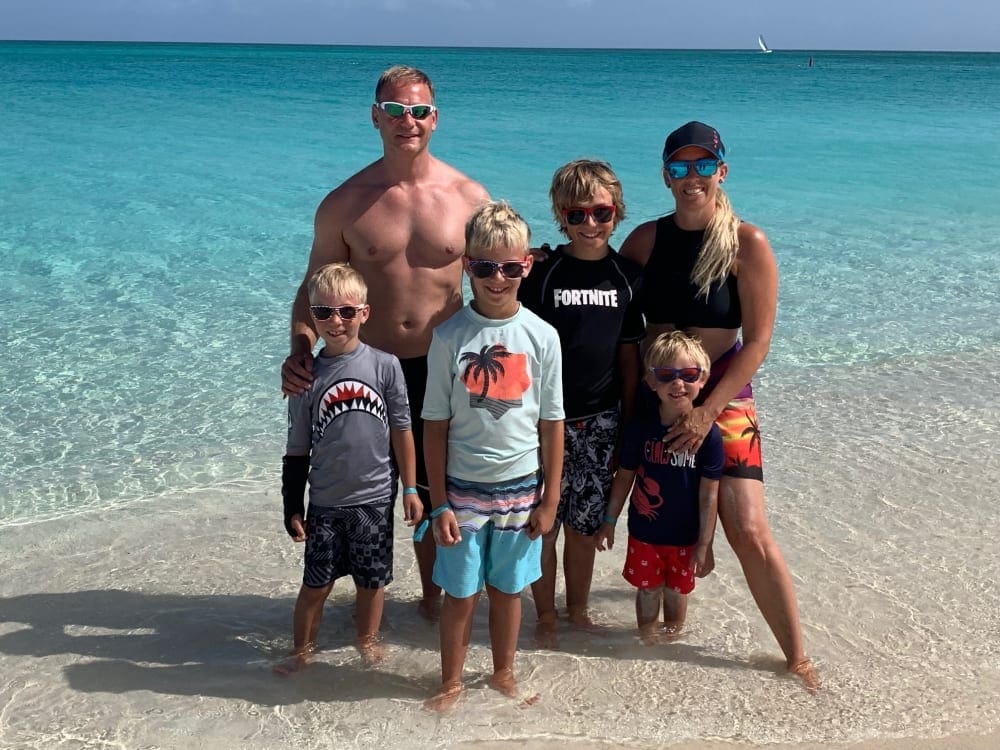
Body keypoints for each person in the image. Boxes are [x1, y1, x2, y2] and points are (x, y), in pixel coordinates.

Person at [280, 65, 491, 621]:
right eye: (395, 111)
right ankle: (357, 611)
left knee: (434, 488)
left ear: (435, 118)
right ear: (376, 116)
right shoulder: (346, 202)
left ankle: (431, 600)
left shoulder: (469, 197)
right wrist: (301, 349)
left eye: (418, 110)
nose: (408, 122)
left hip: (444, 367)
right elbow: (313, 288)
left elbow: (500, 282)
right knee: (357, 493)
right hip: (363, 372)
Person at [620, 121, 819, 691]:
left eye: (703, 165)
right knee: (632, 511)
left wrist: (707, 411)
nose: (691, 177)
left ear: (721, 171)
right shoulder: (646, 240)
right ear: (664, 176)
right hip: (656, 399)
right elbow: (603, 284)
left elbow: (756, 340)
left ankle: (796, 658)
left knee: (748, 529)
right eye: (679, 167)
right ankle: (577, 624)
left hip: (723, 399)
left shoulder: (745, 243)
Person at [421, 201, 564, 711]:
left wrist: (551, 499)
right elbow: (434, 426)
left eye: (508, 266)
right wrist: (438, 504)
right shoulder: (448, 337)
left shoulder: (543, 337)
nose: (497, 277)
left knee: (508, 591)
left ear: (527, 264)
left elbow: (552, 422)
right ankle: (451, 682)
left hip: (523, 489)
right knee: (460, 595)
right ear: (467, 267)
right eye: (484, 267)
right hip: (461, 491)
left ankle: (504, 673)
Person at [517, 160, 644, 644]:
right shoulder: (542, 274)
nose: (590, 224)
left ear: (617, 213)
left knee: (585, 528)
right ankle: (545, 613)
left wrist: (629, 424)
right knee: (543, 522)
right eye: (576, 215)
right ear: (560, 216)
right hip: (542, 421)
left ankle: (577, 610)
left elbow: (629, 357)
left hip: (602, 420)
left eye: (601, 212)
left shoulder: (628, 278)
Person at [277, 263, 422, 674]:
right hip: (325, 500)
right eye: (323, 313)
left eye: (345, 311)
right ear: (313, 316)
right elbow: (296, 449)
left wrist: (411, 488)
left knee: (371, 582)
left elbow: (402, 430)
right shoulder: (306, 377)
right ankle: (301, 651)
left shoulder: (385, 366)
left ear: (364, 313)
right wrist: (292, 505)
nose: (335, 321)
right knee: (315, 585)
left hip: (375, 499)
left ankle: (366, 641)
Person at [594, 331, 722, 643]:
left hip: (685, 537)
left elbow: (709, 493)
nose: (678, 384)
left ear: (703, 380)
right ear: (651, 383)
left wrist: (705, 544)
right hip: (645, 534)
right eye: (666, 375)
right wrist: (609, 522)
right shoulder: (641, 428)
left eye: (689, 375)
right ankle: (647, 641)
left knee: (677, 593)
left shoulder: (710, 437)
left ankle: (672, 644)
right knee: (648, 590)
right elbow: (624, 477)